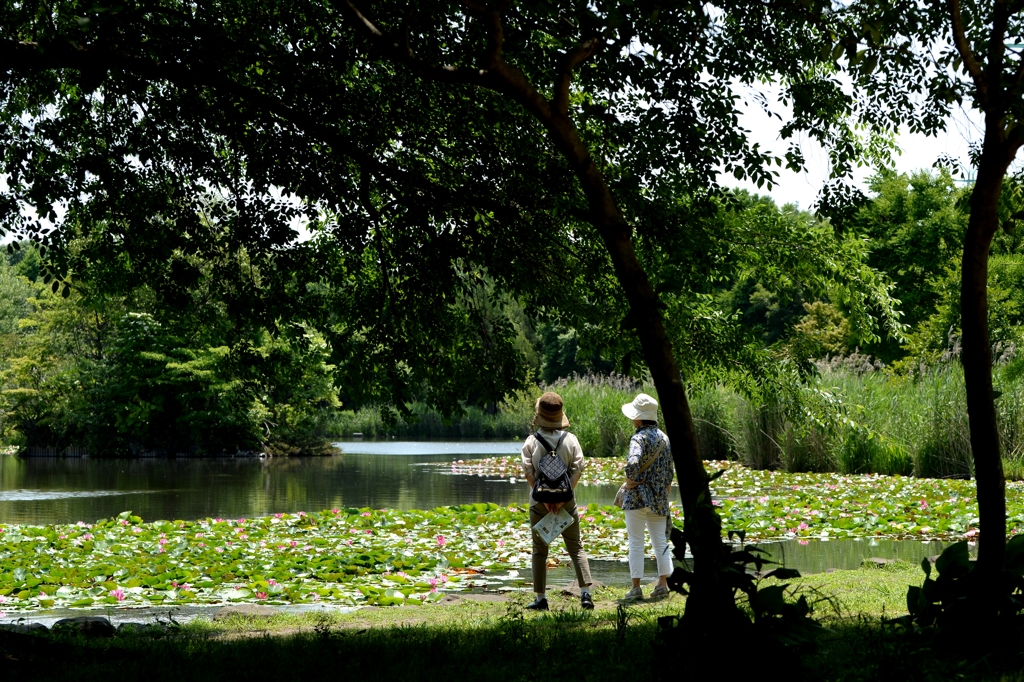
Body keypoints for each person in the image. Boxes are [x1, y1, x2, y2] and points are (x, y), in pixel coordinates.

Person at [520, 391, 594, 611]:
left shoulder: (532, 441)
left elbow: (528, 472)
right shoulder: (571, 440)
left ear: (539, 415)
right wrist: (562, 499)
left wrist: (544, 499)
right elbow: (577, 470)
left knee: (539, 551)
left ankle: (541, 598)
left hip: (538, 503)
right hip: (567, 502)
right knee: (576, 548)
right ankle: (586, 595)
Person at [619, 393, 674, 601]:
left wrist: (632, 480)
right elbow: (669, 472)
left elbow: (633, 463)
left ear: (639, 418)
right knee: (660, 541)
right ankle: (662, 585)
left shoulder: (638, 437)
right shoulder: (665, 438)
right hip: (659, 498)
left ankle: (635, 588)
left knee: (636, 542)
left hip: (637, 498)